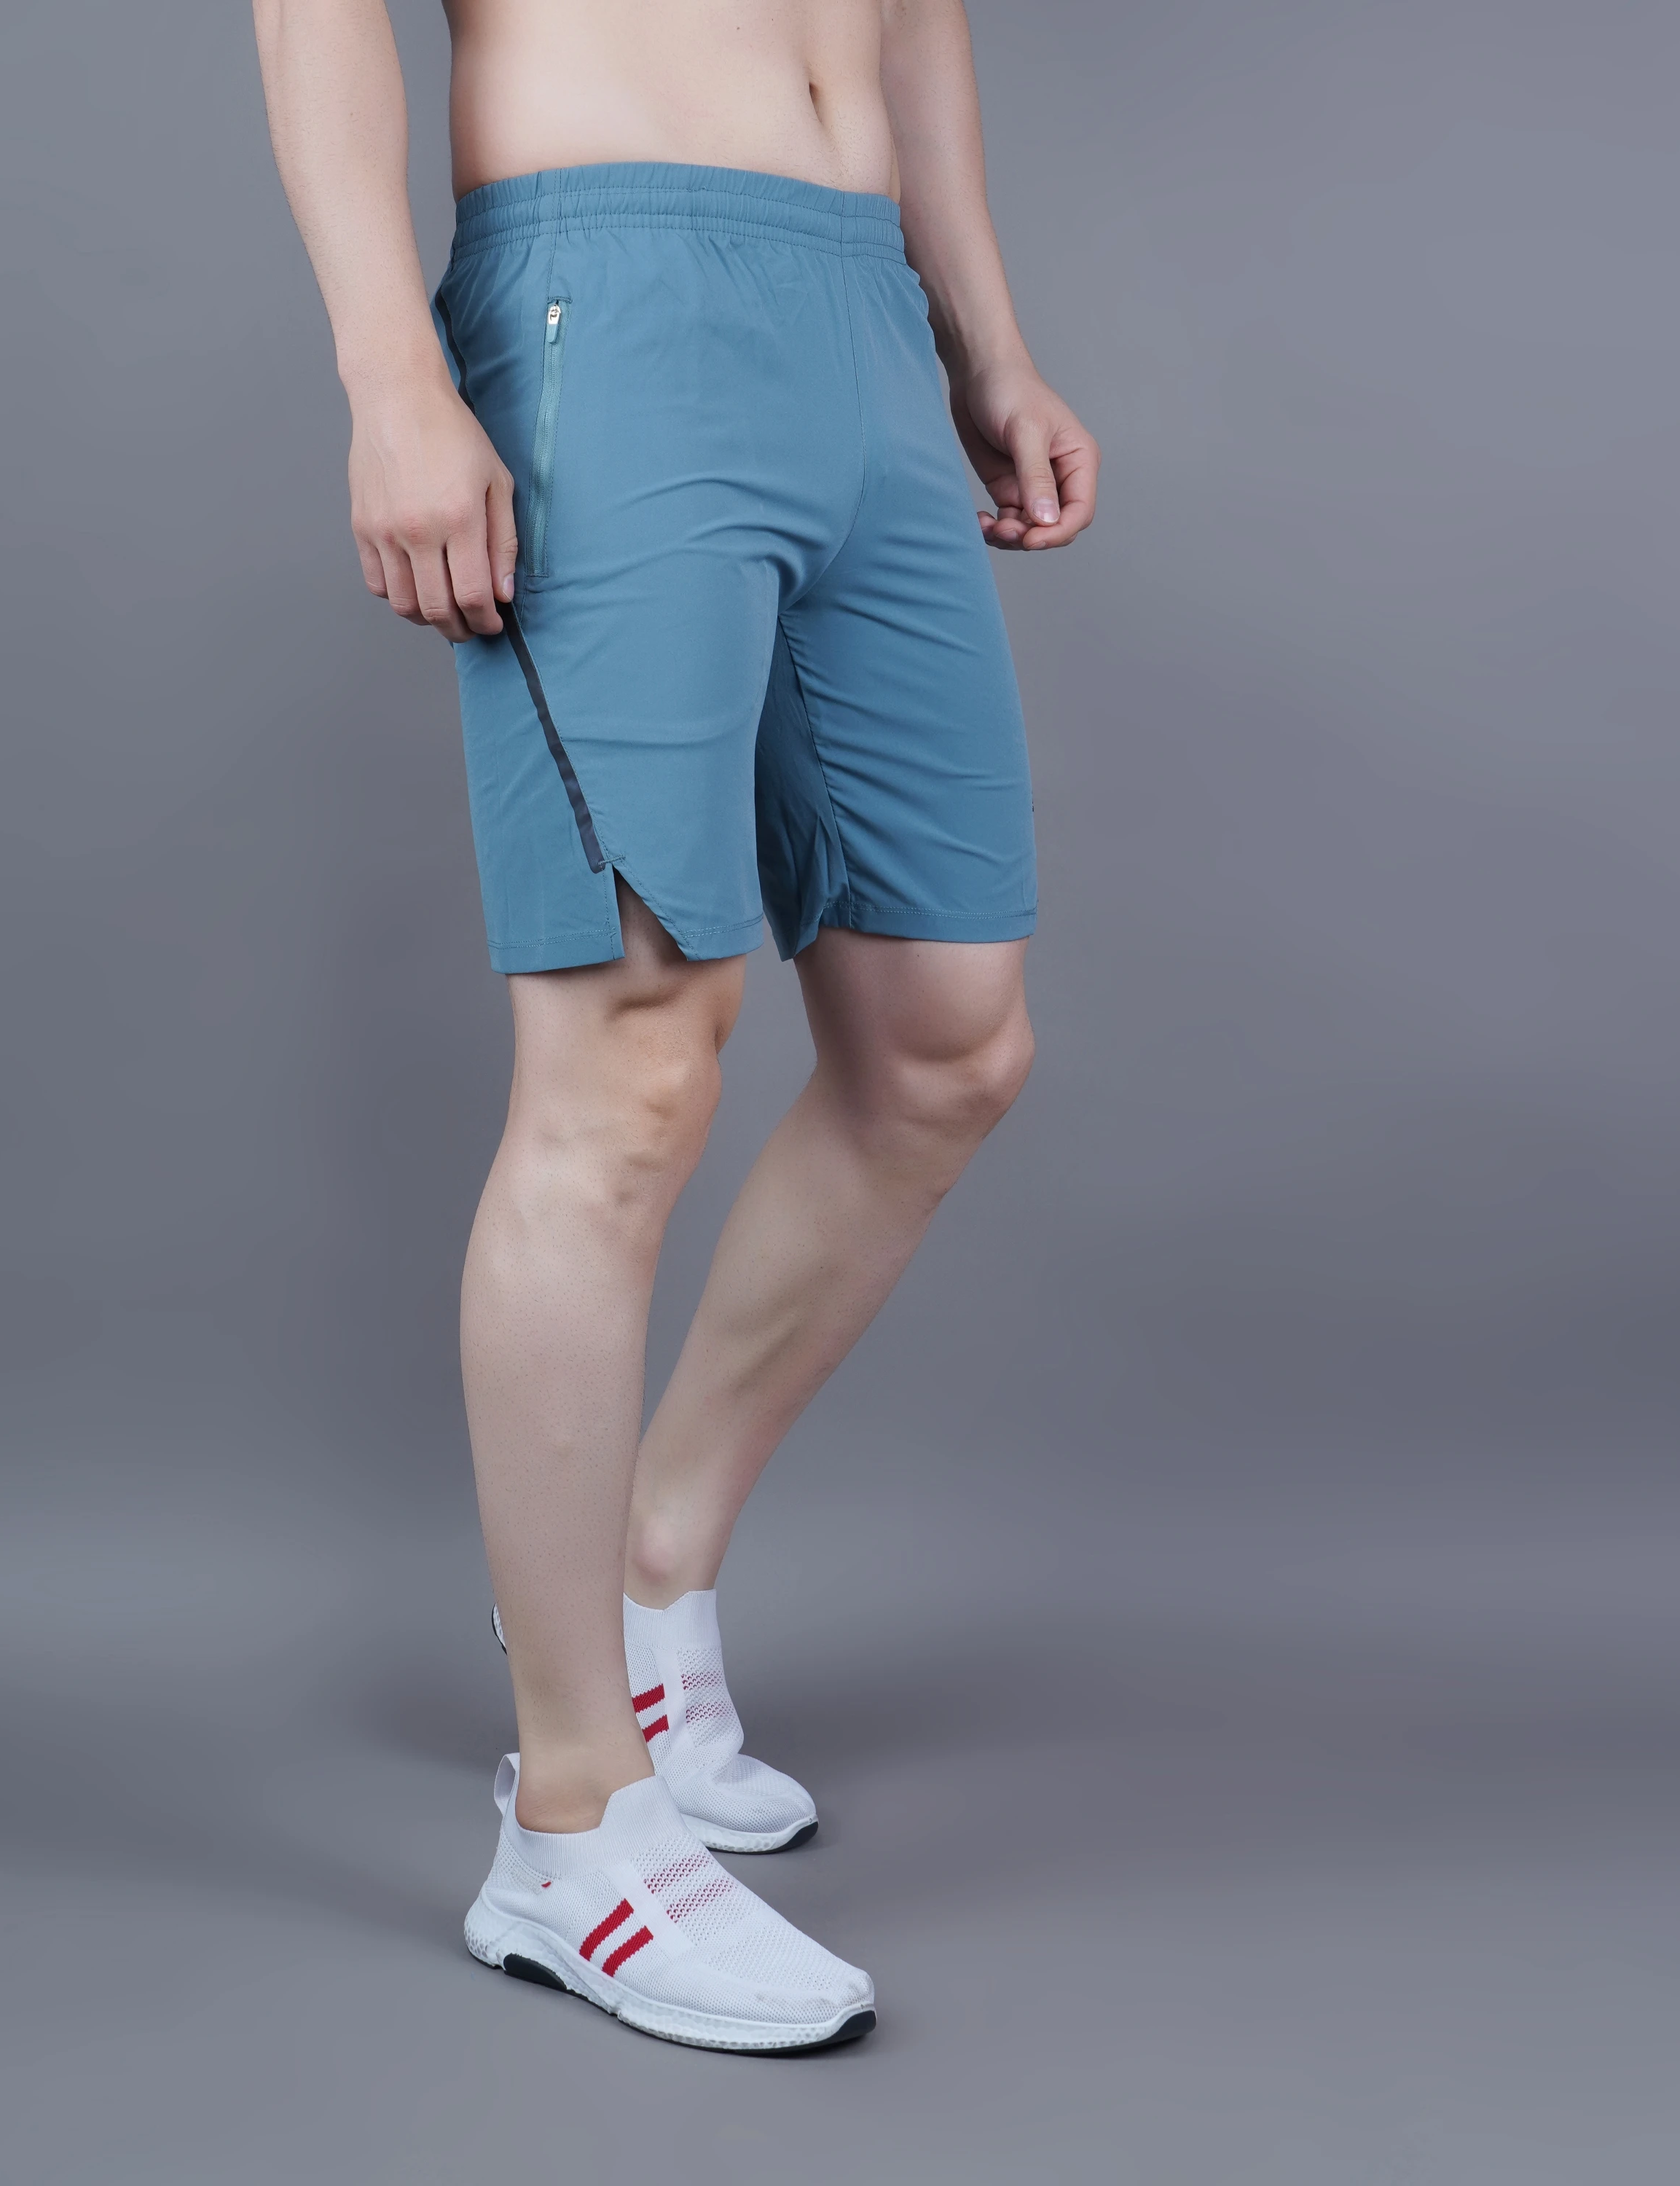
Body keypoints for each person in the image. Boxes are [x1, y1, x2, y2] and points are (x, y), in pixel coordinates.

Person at [254, 0, 1097, 2052]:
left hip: (862, 309)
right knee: (630, 1062)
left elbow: (911, 24)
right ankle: (574, 1825)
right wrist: (389, 375)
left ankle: (650, 1582)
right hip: (609, 296)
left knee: (946, 1044)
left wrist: (984, 343)